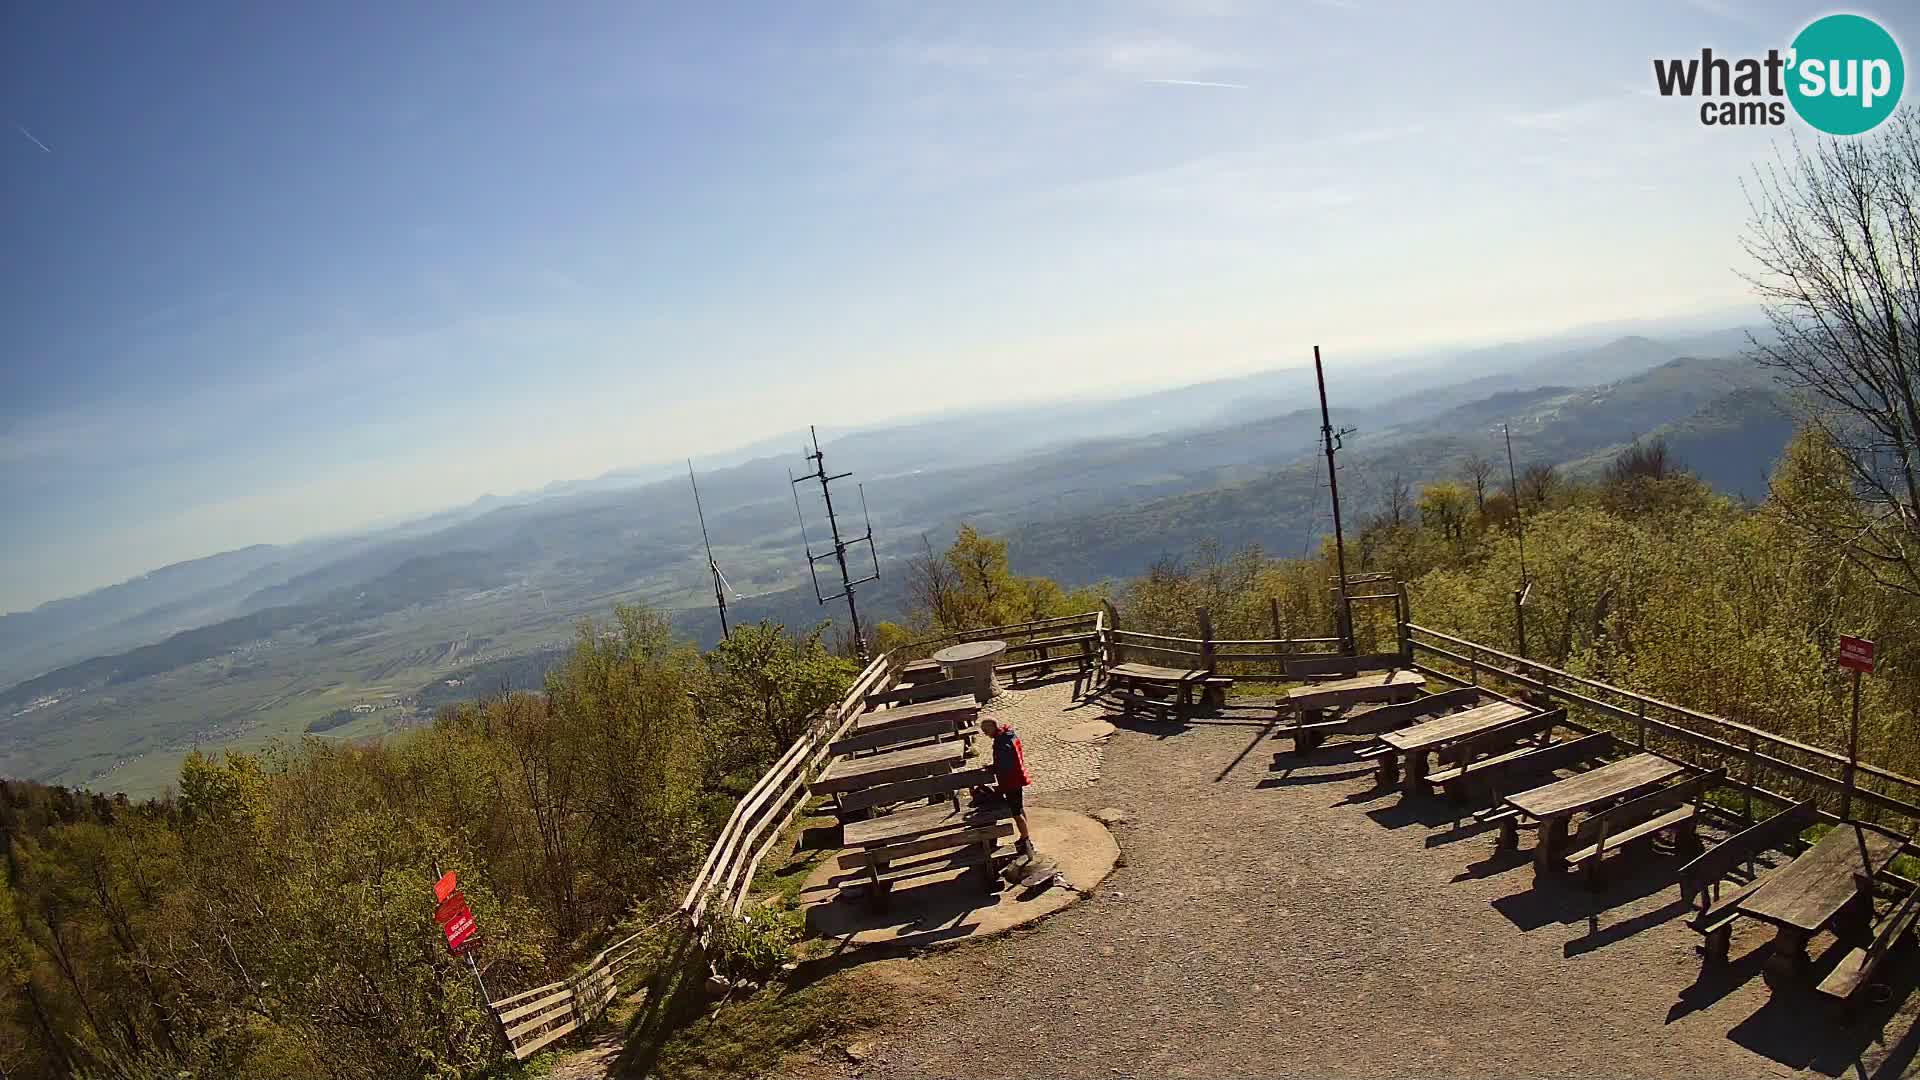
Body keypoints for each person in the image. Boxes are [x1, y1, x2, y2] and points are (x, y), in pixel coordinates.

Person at [979, 716, 1034, 856]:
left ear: (993, 727)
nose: (985, 734)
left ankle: (1026, 840)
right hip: (1017, 778)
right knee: (1019, 808)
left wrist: (994, 771)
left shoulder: (1001, 743)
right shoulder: (1008, 735)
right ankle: (1025, 835)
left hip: (1011, 782)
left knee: (1016, 813)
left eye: (986, 731)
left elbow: (1005, 765)